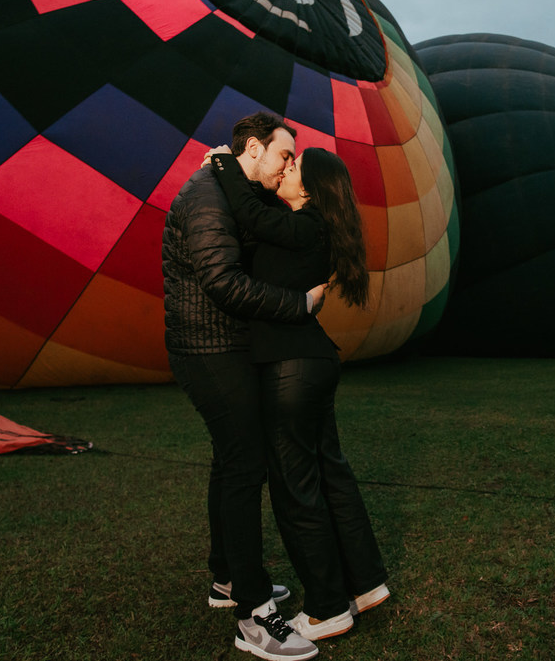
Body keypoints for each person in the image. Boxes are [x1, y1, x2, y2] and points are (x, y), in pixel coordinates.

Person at [208, 143, 390, 644]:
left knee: (296, 488)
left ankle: (328, 607)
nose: (285, 167)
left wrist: (223, 162)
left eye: (293, 166)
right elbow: (257, 215)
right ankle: (366, 583)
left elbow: (247, 212)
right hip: (310, 364)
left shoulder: (308, 225)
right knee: (331, 476)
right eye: (286, 160)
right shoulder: (307, 226)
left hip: (292, 368)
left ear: (311, 187)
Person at [162, 112, 324, 661]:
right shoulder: (207, 196)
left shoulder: (225, 186)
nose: (286, 168)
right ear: (253, 148)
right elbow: (224, 282)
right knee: (245, 463)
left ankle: (227, 577)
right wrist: (298, 305)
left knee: (230, 462)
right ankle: (254, 615)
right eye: (283, 155)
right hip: (209, 350)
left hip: (221, 345)